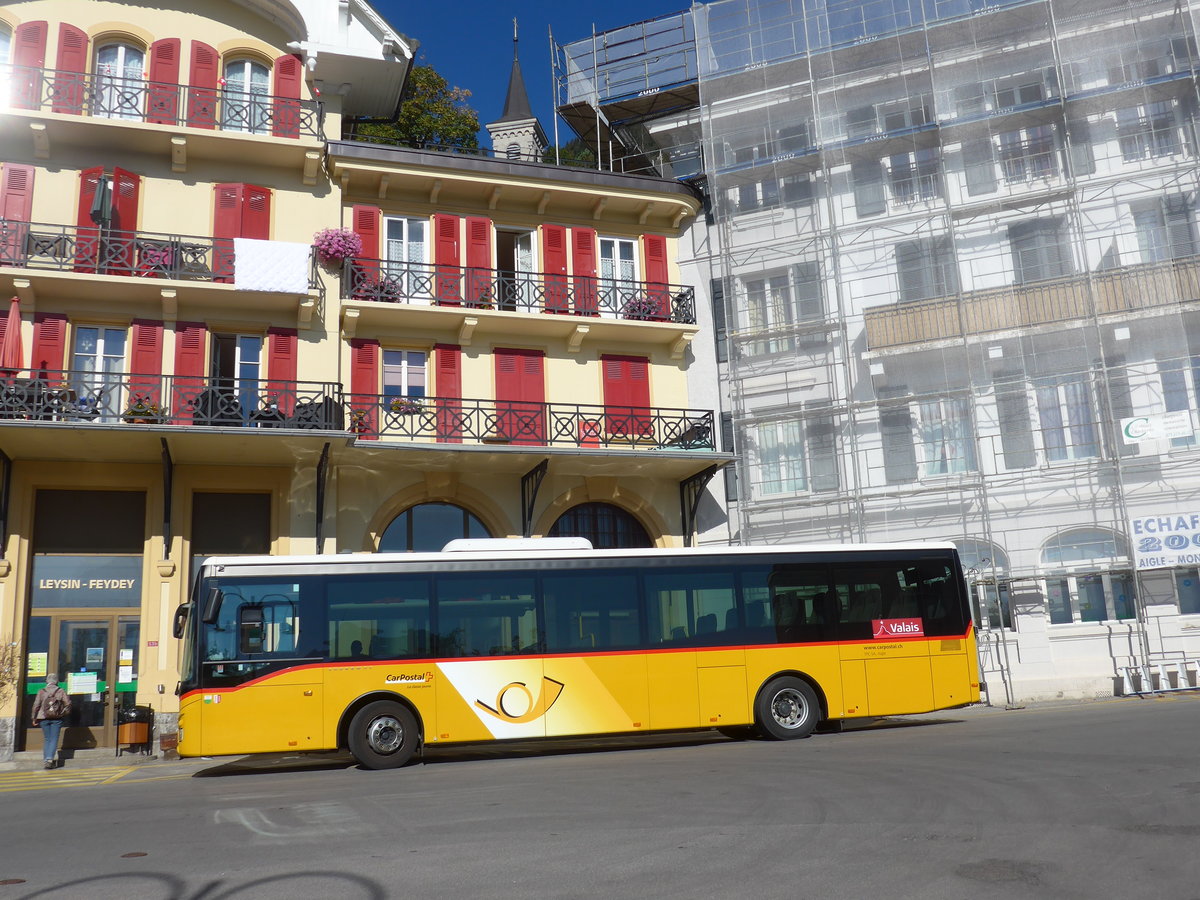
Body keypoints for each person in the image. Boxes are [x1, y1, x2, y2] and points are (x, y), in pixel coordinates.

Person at [31, 673, 71, 770]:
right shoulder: (61, 691)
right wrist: (63, 713)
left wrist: (34, 718)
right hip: (56, 718)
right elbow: (68, 704)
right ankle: (49, 759)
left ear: (47, 681)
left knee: (47, 739)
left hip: (43, 717)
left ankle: (46, 760)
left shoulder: (41, 691)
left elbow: (36, 705)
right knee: (54, 739)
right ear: (57, 681)